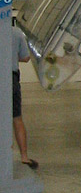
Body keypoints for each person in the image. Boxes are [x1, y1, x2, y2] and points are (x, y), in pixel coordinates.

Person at [12, 23, 38, 170]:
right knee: (17, 118)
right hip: (11, 78)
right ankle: (24, 157)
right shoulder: (16, 33)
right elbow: (26, 57)